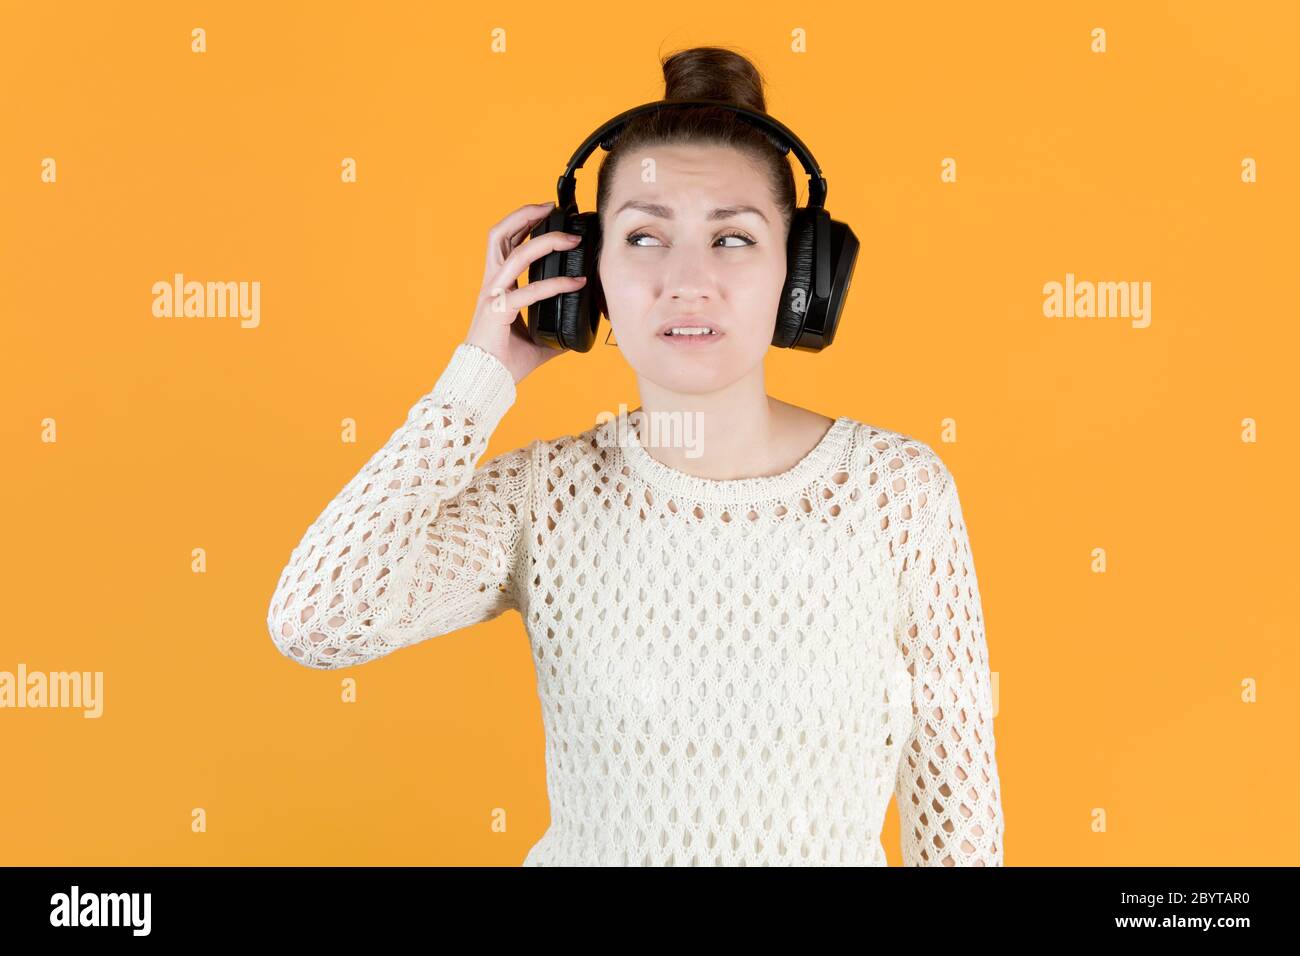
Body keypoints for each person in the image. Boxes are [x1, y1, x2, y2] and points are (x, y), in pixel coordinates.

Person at [266, 45, 1005, 867]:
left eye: (732, 240)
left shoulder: (899, 495)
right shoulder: (545, 498)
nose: (688, 281)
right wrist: (478, 377)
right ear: (583, 272)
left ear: (800, 275)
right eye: (646, 238)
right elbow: (317, 622)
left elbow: (960, 830)